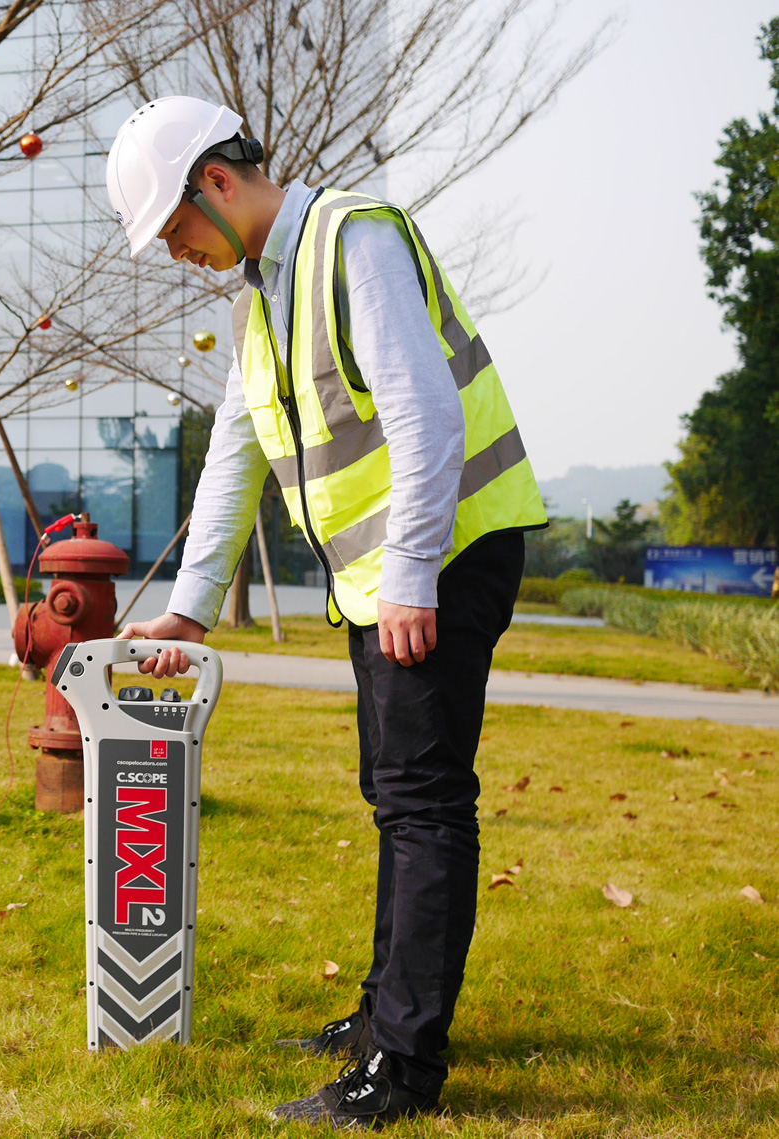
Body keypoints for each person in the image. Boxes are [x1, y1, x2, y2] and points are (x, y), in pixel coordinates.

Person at [106, 97, 546, 1127]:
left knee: (422, 799)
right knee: (394, 792)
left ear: (215, 183)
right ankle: (382, 1016)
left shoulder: (352, 239)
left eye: (173, 232)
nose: (176, 254)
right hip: (394, 573)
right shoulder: (267, 292)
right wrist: (189, 610)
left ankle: (399, 1065)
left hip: (444, 555)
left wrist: (409, 575)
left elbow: (425, 411)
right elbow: (235, 452)